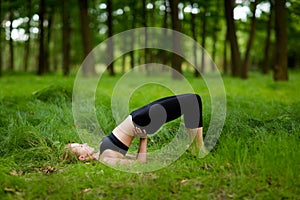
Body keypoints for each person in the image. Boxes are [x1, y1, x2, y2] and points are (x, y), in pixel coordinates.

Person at [65, 93, 204, 165]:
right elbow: (139, 164)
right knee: (193, 101)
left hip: (136, 116)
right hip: (143, 121)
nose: (85, 143)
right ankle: (198, 147)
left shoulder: (100, 154)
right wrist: (143, 139)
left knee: (193, 101)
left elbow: (139, 158)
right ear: (82, 157)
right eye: (81, 146)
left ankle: (195, 147)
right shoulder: (106, 160)